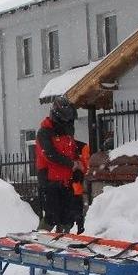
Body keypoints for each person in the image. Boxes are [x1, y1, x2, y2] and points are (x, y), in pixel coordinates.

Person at [36, 96, 80, 232]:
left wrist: (78, 163)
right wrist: (70, 163)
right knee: (51, 217)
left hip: (66, 181)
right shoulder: (44, 132)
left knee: (67, 218)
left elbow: (72, 151)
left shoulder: (67, 132)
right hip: (49, 181)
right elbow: (50, 155)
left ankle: (62, 241)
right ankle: (39, 241)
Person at [70, 140, 91, 234]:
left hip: (64, 185)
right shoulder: (82, 146)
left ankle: (65, 230)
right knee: (78, 209)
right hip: (77, 185)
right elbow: (87, 166)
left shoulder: (58, 145)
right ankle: (80, 228)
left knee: (68, 211)